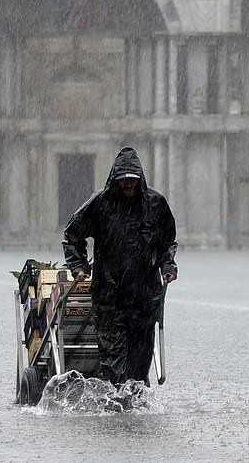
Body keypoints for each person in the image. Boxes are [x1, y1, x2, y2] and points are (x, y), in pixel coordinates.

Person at [62, 146, 178, 386]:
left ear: (140, 179)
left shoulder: (155, 204)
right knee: (114, 364)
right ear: (115, 179)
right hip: (109, 297)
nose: (128, 185)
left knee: (139, 365)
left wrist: (168, 266)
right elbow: (72, 234)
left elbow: (167, 241)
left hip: (144, 298)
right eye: (124, 180)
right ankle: (115, 407)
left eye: (132, 180)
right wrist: (79, 266)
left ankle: (135, 407)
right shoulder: (101, 204)